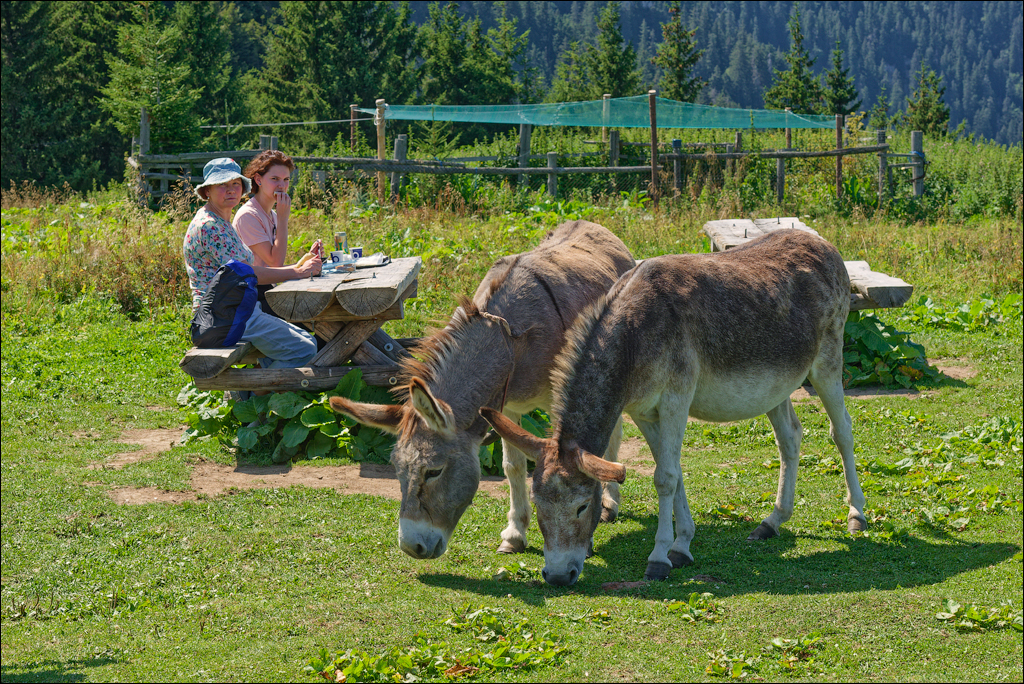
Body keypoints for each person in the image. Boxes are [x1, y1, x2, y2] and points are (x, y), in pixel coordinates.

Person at [183, 157, 320, 370]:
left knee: (310, 341)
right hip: (222, 316)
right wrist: (297, 272)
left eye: (235, 184)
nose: (230, 190)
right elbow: (246, 274)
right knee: (305, 349)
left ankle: (251, 390)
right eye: (222, 185)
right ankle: (258, 394)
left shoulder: (221, 221)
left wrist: (299, 268)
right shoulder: (210, 226)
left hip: (237, 309)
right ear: (207, 191)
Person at [234, 150, 302, 313]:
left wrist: (307, 264)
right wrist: (284, 219)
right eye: (274, 179)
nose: (282, 186)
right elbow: (275, 262)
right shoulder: (248, 216)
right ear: (258, 180)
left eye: (286, 180)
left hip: (268, 289)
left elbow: (274, 267)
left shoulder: (271, 214)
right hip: (253, 297)